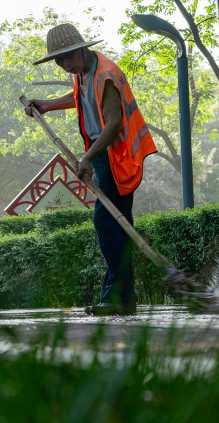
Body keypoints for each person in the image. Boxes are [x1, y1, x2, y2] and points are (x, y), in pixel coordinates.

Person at [25, 23, 156, 316]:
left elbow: (113, 124)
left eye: (67, 57)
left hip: (116, 155)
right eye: (58, 61)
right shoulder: (84, 73)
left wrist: (86, 158)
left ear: (81, 48)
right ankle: (124, 298)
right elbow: (79, 99)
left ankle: (116, 297)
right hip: (102, 156)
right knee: (119, 227)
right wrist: (46, 105)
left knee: (106, 223)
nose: (64, 64)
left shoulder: (106, 74)